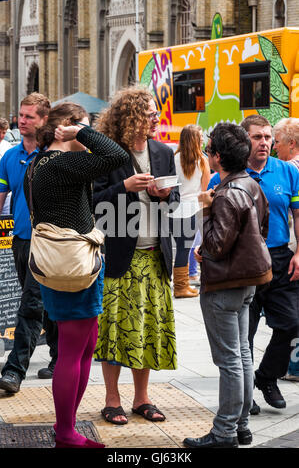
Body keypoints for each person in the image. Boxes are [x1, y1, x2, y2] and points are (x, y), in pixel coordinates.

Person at [23, 102, 129, 448]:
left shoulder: (46, 163)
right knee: (73, 351)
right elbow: (116, 155)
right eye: (84, 125)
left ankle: (68, 426)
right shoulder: (61, 161)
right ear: (65, 128)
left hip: (73, 262)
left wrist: (79, 132)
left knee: (84, 347)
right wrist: (79, 133)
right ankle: (66, 432)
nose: (90, 133)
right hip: (73, 266)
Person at [93, 86, 179, 425]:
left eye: (155, 112)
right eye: (148, 112)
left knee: (147, 330)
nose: (155, 117)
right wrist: (124, 188)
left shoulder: (162, 152)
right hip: (118, 257)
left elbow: (175, 204)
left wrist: (163, 197)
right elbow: (94, 203)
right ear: (130, 117)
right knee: (113, 330)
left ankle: (142, 398)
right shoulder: (110, 155)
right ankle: (111, 399)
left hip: (154, 256)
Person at [183, 123, 272, 449]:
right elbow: (263, 227)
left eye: (209, 150)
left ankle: (224, 432)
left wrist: (205, 211)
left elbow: (217, 245)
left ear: (218, 156)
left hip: (224, 284)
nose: (207, 155)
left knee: (230, 361)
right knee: (243, 355)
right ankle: (242, 426)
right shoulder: (251, 184)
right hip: (248, 281)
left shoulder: (224, 193)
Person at [209, 115, 299, 412]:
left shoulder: (287, 171)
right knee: (242, 335)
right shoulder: (226, 174)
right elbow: (211, 219)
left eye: (268, 137)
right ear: (244, 140)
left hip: (280, 259)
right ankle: (245, 397)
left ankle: (266, 377)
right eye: (258, 137)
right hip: (242, 262)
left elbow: (297, 216)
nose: (264, 142)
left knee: (291, 324)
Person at [0, 93, 57, 393]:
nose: (22, 121)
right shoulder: (9, 156)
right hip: (20, 242)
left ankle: (14, 371)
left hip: (48, 242)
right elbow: (2, 197)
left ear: (44, 120)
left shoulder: (53, 154)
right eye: (21, 115)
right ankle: (59, 360)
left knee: (31, 305)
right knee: (45, 305)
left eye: (29, 116)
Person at [273, 117, 299, 382]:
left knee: (290, 315)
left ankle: (292, 367)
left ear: (291, 144)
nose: (273, 147)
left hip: (289, 250)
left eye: (277, 142)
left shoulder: (287, 169)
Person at [171, 124, 210, 298]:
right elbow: (204, 189)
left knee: (180, 248)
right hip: (192, 209)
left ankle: (181, 285)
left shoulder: (174, 158)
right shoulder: (202, 160)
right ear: (193, 139)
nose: (203, 139)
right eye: (200, 137)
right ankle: (181, 287)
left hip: (173, 210)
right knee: (184, 249)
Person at [0, 117, 12, 215]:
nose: (1, 136)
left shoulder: (8, 147)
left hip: (6, 194)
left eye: (4, 133)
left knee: (4, 223)